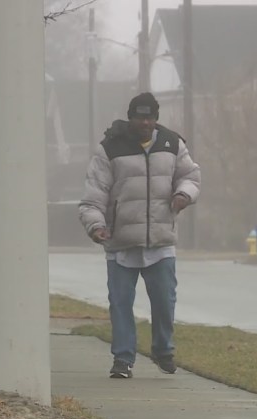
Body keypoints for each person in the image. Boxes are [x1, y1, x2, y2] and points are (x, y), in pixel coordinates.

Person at [79, 92, 200, 378]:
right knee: (120, 304)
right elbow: (92, 199)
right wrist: (96, 227)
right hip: (120, 243)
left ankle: (163, 350)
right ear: (130, 118)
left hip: (160, 241)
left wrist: (184, 195)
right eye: (139, 117)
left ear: (156, 119)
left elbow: (191, 177)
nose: (145, 123)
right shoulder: (110, 148)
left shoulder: (173, 144)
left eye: (150, 118)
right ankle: (123, 359)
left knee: (164, 301)